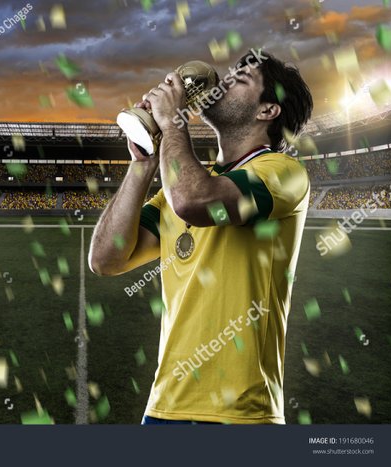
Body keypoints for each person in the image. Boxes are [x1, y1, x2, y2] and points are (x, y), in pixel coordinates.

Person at [89, 50, 313, 424]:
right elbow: (105, 259)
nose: (224, 81)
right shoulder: (177, 190)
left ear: (268, 111)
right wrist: (143, 161)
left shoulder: (285, 172)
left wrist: (173, 124)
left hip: (240, 415)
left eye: (240, 80)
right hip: (164, 409)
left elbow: (196, 201)